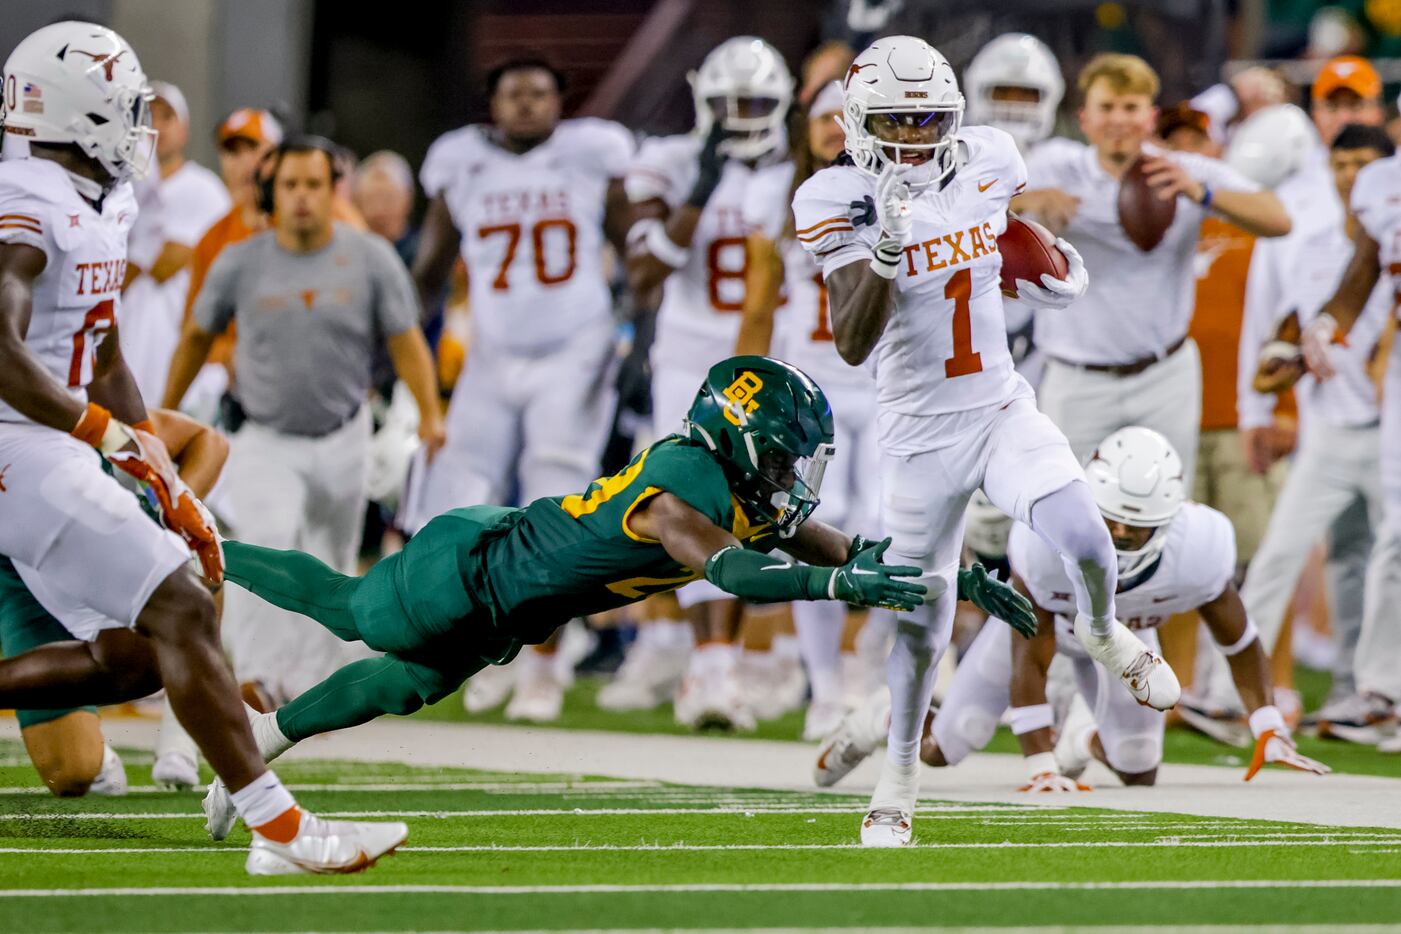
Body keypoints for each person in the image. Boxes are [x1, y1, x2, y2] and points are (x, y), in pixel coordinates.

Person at [199, 355, 1035, 835]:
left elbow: (841, 547)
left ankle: (263, 736)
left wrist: (950, 577)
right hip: (477, 566)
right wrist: (833, 584)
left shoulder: (743, 487)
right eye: (783, 457)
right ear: (741, 439)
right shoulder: (684, 478)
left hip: (517, 597)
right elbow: (731, 572)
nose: (790, 479)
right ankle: (204, 542)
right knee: (355, 613)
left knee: (408, 684)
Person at [0, 20, 404, 875]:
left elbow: (100, 349)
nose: (137, 122)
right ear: (78, 109)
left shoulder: (94, 197)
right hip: (17, 446)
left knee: (135, 655)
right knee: (184, 606)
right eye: (124, 104)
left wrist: (145, 449)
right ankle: (281, 830)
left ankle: (272, 824)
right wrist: (99, 433)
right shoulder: (27, 200)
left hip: (52, 442)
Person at [792, 36, 1177, 848]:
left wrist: (1043, 261)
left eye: (929, 116)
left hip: (999, 402)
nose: (915, 135)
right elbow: (854, 343)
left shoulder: (989, 157)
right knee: (921, 614)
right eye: (897, 120)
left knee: (1082, 531)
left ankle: (1106, 632)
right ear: (861, 123)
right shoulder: (835, 197)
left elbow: (999, 233)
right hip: (918, 432)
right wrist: (885, 259)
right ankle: (895, 783)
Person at [163, 135, 445, 709]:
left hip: (346, 431)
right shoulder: (240, 259)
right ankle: (261, 678)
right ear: (271, 192)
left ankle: (312, 681)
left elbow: (407, 341)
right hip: (264, 433)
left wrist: (432, 415)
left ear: (333, 189)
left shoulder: (370, 256)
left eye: (313, 184)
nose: (301, 197)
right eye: (290, 185)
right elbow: (196, 336)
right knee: (268, 543)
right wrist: (162, 415)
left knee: (331, 558)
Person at [908, 428, 1328, 790]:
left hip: (1126, 639)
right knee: (947, 744)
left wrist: (1268, 725)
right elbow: (1029, 656)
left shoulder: (1200, 549)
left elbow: (1239, 642)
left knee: (1137, 767)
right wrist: (1041, 767)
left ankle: (1080, 738)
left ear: (1167, 518)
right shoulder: (1044, 543)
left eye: (1136, 524)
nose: (1122, 533)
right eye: (1111, 520)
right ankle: (887, 715)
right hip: (1046, 630)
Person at [407, 56, 634, 722]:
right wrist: (398, 342)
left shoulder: (591, 155)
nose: (527, 105)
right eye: (514, 94)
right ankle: (482, 645)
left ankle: (545, 662)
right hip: (490, 350)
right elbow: (431, 264)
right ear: (493, 103)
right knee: (456, 499)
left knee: (554, 507)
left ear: (561, 101)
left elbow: (638, 251)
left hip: (575, 349)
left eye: (540, 93)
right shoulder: (460, 163)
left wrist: (634, 339)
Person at [624, 36, 798, 731]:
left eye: (753, 103)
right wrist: (696, 189)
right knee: (690, 504)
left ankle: (762, 660)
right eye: (727, 103)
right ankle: (709, 665)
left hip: (775, 354)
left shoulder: (798, 170)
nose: (739, 116)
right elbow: (642, 275)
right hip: (688, 356)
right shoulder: (668, 164)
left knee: (771, 510)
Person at [1014, 53, 1291, 486]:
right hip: (1076, 378)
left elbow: (1279, 219)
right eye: (1107, 107)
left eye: (1131, 107)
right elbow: (969, 202)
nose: (1119, 120)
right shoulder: (1052, 166)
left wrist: (1201, 194)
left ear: (1151, 117)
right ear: (1084, 117)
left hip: (1164, 373)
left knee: (1166, 505)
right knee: (1066, 505)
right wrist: (1022, 203)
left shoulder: (1183, 171)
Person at [1225, 122, 1396, 739]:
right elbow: (1302, 318)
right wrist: (1294, 350)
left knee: (1385, 557)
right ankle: (1232, 698)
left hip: (1385, 427)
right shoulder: (1322, 237)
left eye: (1362, 164)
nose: (1351, 177)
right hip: (1331, 425)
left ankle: (1374, 693)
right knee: (1278, 559)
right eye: (1341, 164)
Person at [729, 80, 883, 741]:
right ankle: (825, 688)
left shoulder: (893, 191)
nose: (831, 129)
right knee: (814, 535)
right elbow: (759, 304)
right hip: (807, 396)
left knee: (886, 529)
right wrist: (739, 403)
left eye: (842, 119)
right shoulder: (781, 200)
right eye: (821, 118)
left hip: (883, 391)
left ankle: (866, 663)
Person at [0, 408, 225, 797]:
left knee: (195, 568)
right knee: (72, 772)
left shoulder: (61, 413)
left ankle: (181, 738)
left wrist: (171, 511)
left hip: (92, 552)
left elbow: (206, 440)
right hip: (18, 574)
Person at [1300, 104, 1401, 754]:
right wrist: (1327, 321)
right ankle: (1381, 690)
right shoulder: (1379, 183)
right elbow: (1367, 262)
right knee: (1395, 531)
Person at [119, 81, 229, 406]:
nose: (156, 125)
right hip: (122, 339)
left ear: (184, 130)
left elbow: (165, 263)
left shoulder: (204, 188)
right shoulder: (119, 187)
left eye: (167, 116)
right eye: (149, 115)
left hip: (171, 343)